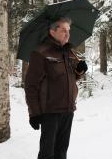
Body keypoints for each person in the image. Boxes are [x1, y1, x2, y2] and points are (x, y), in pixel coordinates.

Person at [24, 17, 88, 159]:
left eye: (69, 31)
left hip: (68, 109)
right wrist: (34, 113)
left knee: (61, 151)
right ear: (52, 31)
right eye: (63, 30)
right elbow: (31, 85)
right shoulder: (41, 53)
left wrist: (79, 71)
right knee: (47, 153)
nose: (68, 34)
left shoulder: (69, 52)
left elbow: (70, 78)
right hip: (50, 112)